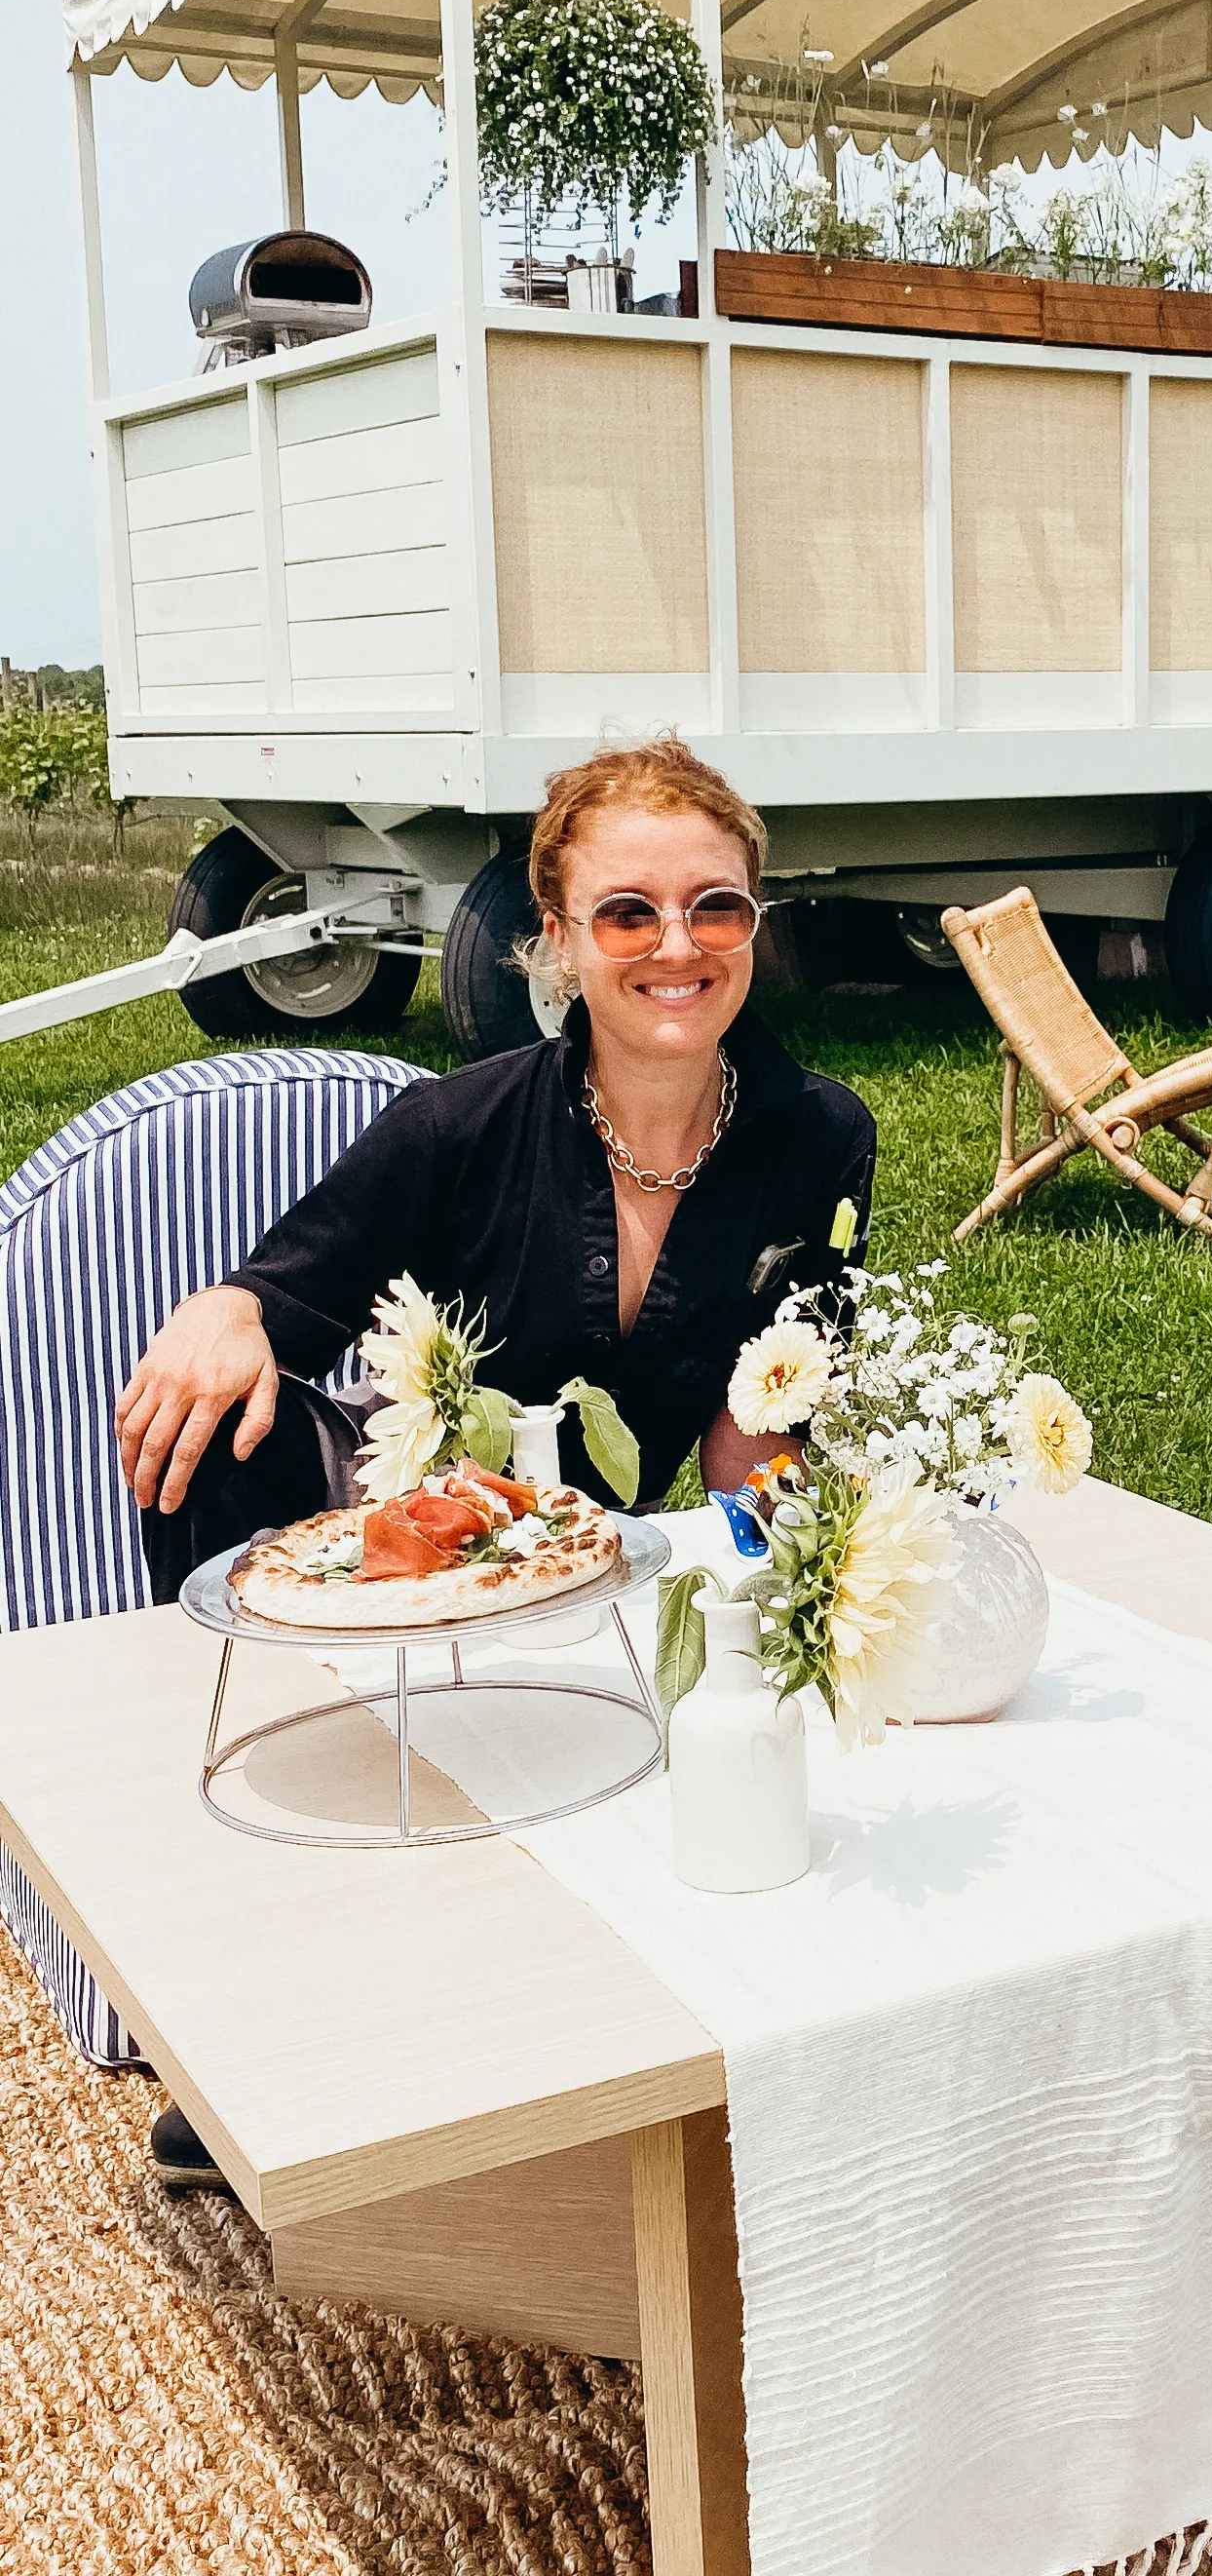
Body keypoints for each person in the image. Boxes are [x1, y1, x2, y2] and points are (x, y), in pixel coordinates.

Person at [116, 735, 875, 2186]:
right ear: (556, 941)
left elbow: (759, 1426)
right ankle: (257, 1975)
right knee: (219, 1430)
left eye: (715, 907)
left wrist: (771, 1629)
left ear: (756, 928)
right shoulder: (451, 1127)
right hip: (420, 1536)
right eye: (629, 912)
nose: (676, 946)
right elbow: (286, 1294)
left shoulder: (819, 1135)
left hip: (620, 1550)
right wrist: (224, 1312)